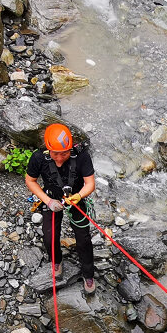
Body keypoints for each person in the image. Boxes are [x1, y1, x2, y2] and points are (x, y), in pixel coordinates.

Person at [25, 123, 97, 293]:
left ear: (70, 148)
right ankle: (56, 260)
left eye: (64, 153)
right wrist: (48, 201)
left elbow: (90, 183)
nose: (59, 158)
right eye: (55, 154)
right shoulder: (39, 157)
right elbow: (30, 180)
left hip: (76, 197)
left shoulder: (81, 156)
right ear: (48, 149)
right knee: (49, 235)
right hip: (51, 196)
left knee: (84, 238)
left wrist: (79, 196)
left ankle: (88, 274)